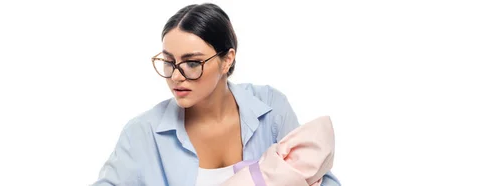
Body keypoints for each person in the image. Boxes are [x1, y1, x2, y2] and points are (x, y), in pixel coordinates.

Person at [92, 3, 341, 186]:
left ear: (226, 60)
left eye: (192, 63)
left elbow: (317, 175)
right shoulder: (142, 133)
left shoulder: (271, 108)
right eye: (168, 61)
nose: (176, 76)